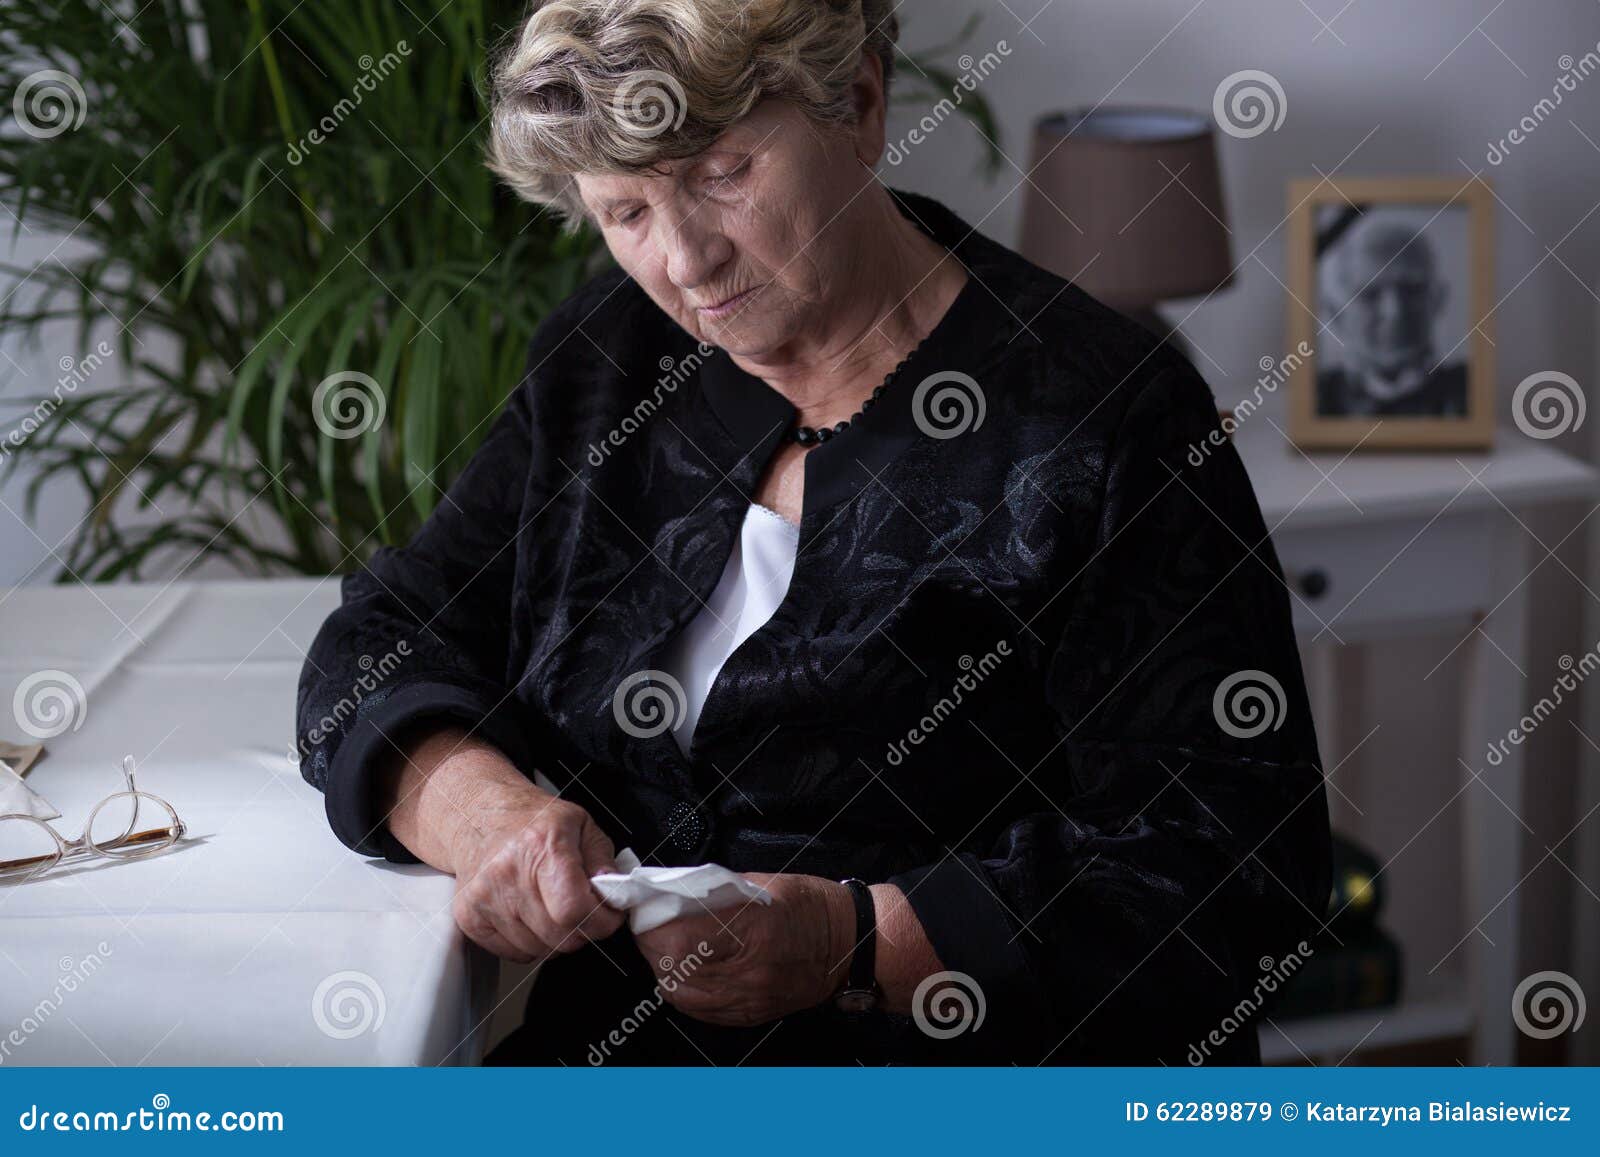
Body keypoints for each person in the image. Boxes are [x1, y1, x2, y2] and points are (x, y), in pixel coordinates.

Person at [296, 0, 1330, 1065]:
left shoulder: (1105, 417)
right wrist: (486, 819)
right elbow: (384, 634)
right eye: (626, 212)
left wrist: (855, 942)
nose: (687, 261)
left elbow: (1234, 872)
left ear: (863, 105)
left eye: (720, 173)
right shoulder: (608, 360)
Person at [1317, 213, 1468, 416]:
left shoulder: (1471, 392)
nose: (1395, 312)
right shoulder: (1315, 399)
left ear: (1438, 299)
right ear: (1336, 315)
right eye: (1370, 294)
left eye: (1412, 291)